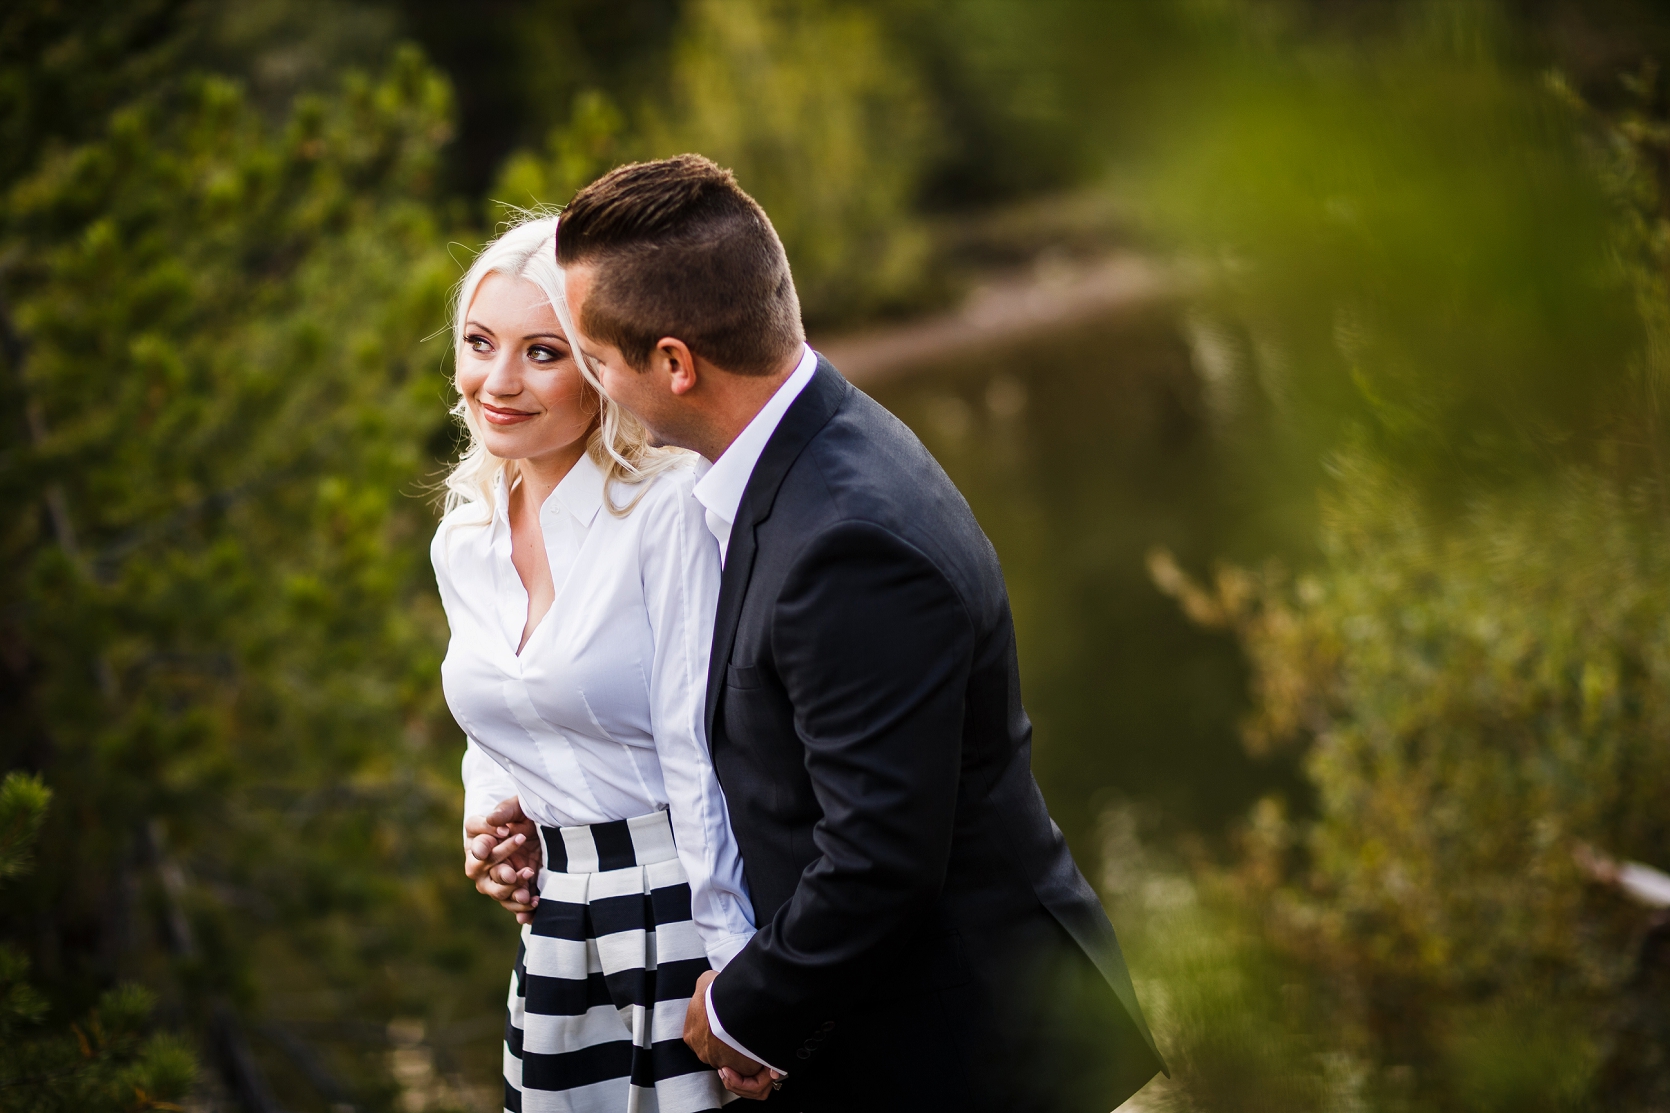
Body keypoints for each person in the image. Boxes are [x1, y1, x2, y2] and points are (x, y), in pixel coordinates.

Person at [556, 155, 1167, 1112]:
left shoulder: (845, 538)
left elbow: (881, 853)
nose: (595, 389)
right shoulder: (807, 451)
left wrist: (746, 1009)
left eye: (595, 361)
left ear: (675, 363)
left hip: (970, 1049)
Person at [433, 215, 755, 1113]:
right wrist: (488, 820)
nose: (497, 382)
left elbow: (701, 751)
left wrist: (737, 973)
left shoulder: (666, 509)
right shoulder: (465, 536)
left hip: (684, 906)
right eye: (479, 343)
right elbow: (495, 716)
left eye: (542, 351)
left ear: (602, 368)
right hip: (560, 928)